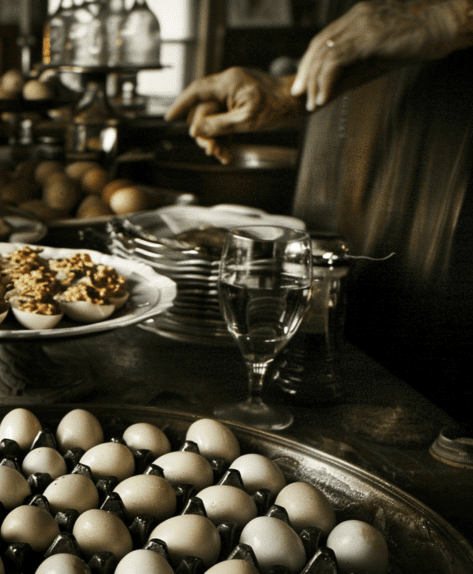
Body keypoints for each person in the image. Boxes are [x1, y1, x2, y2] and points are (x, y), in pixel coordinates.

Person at [165, 0, 473, 424]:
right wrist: (287, 93)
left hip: (449, 186)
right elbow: (401, 48)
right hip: (361, 161)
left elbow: (423, 31)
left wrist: (449, 17)